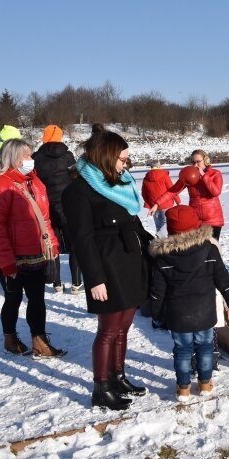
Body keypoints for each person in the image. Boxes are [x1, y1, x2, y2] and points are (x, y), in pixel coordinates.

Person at [62, 127, 154, 411]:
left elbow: (133, 222)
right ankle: (101, 387)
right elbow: (82, 240)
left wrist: (157, 246)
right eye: (122, 159)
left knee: (124, 327)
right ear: (106, 156)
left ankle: (118, 377)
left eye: (127, 159)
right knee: (109, 329)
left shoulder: (119, 182)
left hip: (129, 262)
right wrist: (95, 279)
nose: (126, 164)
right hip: (107, 267)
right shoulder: (77, 191)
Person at [0, 138, 66, 358]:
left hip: (35, 252)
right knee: (14, 299)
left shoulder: (35, 182)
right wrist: (6, 262)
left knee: (37, 298)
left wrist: (52, 244)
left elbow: (44, 218)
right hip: (10, 256)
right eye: (26, 156)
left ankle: (40, 340)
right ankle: (10, 337)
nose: (31, 159)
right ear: (13, 158)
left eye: (30, 155)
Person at [149, 205, 229, 401]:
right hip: (204, 312)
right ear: (195, 226)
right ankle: (205, 384)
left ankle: (183, 388)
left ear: (172, 229)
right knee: (205, 346)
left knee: (182, 350)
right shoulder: (209, 250)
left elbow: (157, 292)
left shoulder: (163, 257)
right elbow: (224, 281)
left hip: (178, 315)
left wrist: (156, 315)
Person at [32, 124, 83, 294]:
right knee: (75, 243)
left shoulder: (36, 158)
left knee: (51, 243)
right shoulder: (68, 156)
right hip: (67, 204)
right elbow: (76, 178)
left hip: (45, 205)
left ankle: (57, 283)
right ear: (60, 137)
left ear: (44, 137)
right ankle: (76, 283)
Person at [148, 149, 224, 240]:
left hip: (213, 219)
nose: (195, 165)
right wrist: (157, 204)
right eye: (193, 162)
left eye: (198, 162)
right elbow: (173, 191)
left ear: (206, 160)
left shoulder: (215, 174)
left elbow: (215, 192)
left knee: (212, 249)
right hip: (195, 219)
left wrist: (204, 176)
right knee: (197, 250)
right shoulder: (189, 175)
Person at [142, 164, 180, 235]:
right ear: (159, 167)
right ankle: (160, 237)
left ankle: (160, 240)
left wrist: (148, 204)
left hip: (154, 206)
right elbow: (172, 189)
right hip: (166, 204)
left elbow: (144, 193)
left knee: (158, 225)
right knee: (166, 224)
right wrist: (178, 201)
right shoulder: (164, 176)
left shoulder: (146, 178)